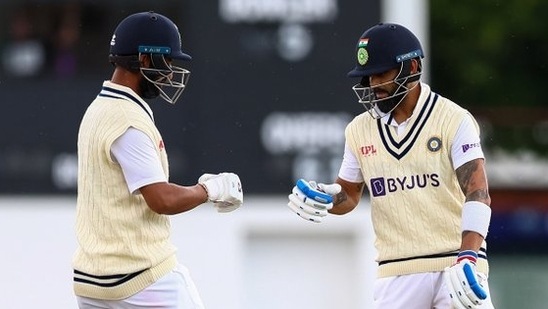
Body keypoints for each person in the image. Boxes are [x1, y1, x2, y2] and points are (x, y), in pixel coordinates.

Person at [287, 23, 495, 309]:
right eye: (368, 77)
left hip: (456, 264)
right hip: (397, 270)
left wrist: (469, 257)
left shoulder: (453, 119)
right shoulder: (358, 130)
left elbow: (477, 191)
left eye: (381, 74)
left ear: (411, 67)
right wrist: (323, 197)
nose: (373, 85)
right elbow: (348, 194)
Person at [72, 11, 243, 309]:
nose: (169, 73)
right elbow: (160, 199)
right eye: (167, 63)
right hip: (139, 279)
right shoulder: (128, 119)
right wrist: (210, 189)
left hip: (91, 283)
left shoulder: (97, 109)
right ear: (146, 60)